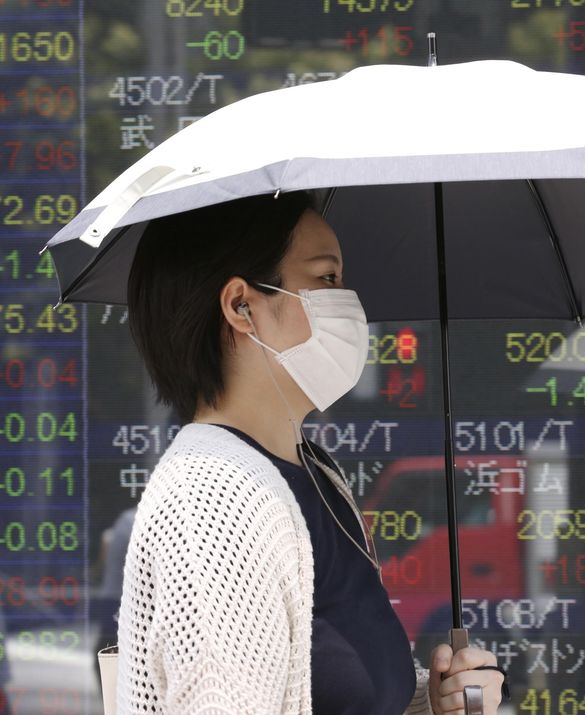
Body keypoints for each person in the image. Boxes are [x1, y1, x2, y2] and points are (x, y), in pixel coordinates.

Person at [116, 191, 505, 714]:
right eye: (326, 279)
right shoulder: (212, 500)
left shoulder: (315, 472)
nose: (348, 303)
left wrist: (434, 703)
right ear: (241, 306)